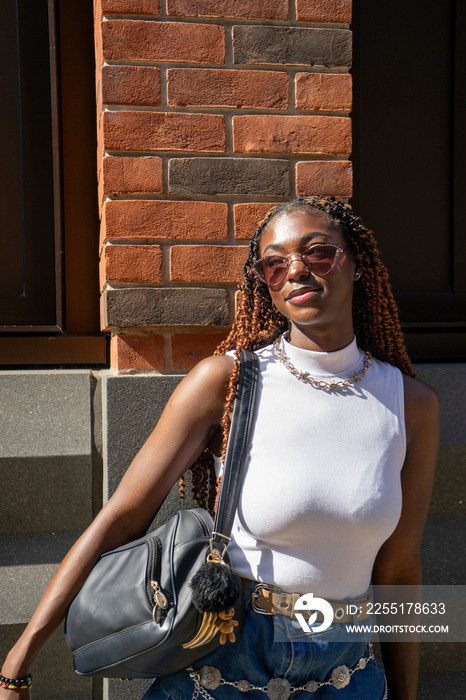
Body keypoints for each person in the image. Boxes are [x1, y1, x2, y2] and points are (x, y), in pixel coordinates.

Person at [0, 197, 439, 700]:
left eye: (318, 253)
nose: (295, 270)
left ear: (356, 264)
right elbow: (121, 518)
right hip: (227, 661)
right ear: (264, 281)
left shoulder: (410, 404)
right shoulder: (229, 381)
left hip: (347, 671)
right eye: (274, 264)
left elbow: (400, 568)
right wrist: (19, 660)